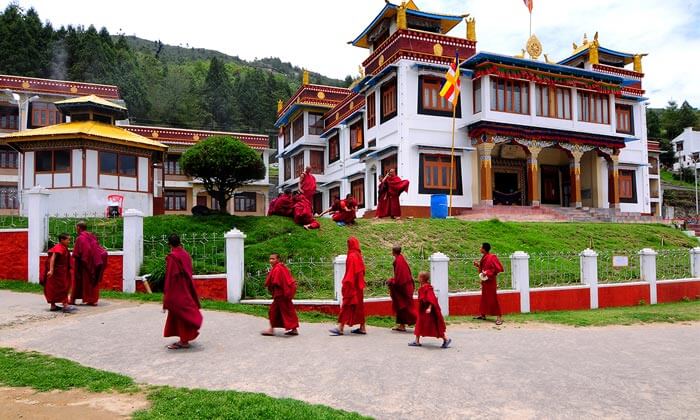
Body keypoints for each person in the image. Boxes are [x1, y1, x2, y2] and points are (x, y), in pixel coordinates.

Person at [163, 233, 203, 350]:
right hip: (187, 288)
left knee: (180, 315)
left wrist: (167, 294)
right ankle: (183, 339)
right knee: (182, 314)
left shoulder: (173, 257)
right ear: (179, 242)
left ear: (169, 244)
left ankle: (184, 341)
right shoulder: (185, 255)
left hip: (177, 289)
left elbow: (170, 277)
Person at [329, 237, 366, 335]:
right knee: (359, 307)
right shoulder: (358, 255)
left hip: (352, 286)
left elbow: (350, 272)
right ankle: (362, 327)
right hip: (359, 286)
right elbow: (362, 270)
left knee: (346, 306)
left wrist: (346, 283)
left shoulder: (351, 256)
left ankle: (340, 328)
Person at [410, 272, 451, 348]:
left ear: (422, 279)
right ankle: (417, 341)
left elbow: (432, 299)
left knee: (434, 325)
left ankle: (446, 339)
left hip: (428, 311)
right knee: (419, 324)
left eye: (419, 277)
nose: (418, 278)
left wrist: (429, 308)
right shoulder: (423, 287)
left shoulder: (427, 288)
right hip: (423, 310)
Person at [261, 253, 299, 336]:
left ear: (278, 259)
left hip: (281, 294)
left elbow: (276, 282)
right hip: (283, 294)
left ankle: (271, 329)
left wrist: (271, 286)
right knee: (288, 311)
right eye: (270, 259)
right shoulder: (280, 267)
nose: (271, 260)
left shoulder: (278, 268)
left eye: (273, 259)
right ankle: (294, 329)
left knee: (273, 311)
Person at [71, 221, 108, 306]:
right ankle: (92, 300)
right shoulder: (91, 236)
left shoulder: (80, 238)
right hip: (94, 261)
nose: (76, 229)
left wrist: (80, 258)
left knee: (79, 281)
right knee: (92, 281)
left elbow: (83, 250)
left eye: (76, 227)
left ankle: (74, 299)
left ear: (78, 228)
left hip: (84, 263)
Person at [42, 233, 74, 313]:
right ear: (62, 240)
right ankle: (65, 305)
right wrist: (51, 270)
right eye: (68, 239)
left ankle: (53, 306)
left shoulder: (63, 247)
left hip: (61, 271)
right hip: (57, 272)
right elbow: (53, 258)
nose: (69, 241)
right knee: (62, 287)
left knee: (56, 288)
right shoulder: (59, 247)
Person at [473, 242, 504, 325]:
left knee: (493, 299)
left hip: (491, 281)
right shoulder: (485, 257)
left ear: (484, 249)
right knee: (485, 298)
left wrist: (487, 273)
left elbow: (497, 269)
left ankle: (499, 317)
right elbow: (484, 268)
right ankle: (483, 314)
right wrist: (478, 265)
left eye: (481, 247)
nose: (480, 249)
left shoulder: (492, 257)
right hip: (485, 281)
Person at [387, 246, 417, 331]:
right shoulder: (400, 259)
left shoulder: (399, 261)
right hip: (403, 286)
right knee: (400, 306)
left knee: (407, 307)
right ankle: (402, 325)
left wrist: (392, 281)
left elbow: (400, 278)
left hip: (404, 288)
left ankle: (421, 322)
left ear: (393, 252)